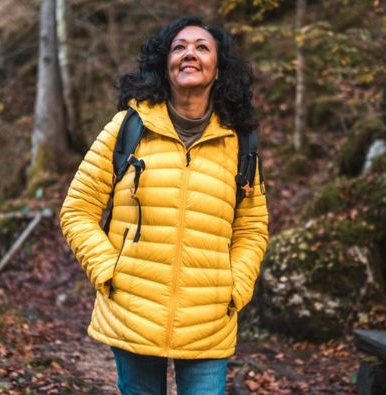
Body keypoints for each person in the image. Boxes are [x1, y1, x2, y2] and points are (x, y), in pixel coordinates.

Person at [59, 17, 268, 395]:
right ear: (165, 64)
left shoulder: (240, 143)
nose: (190, 53)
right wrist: (109, 272)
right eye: (179, 47)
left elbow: (252, 229)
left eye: (202, 47)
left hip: (208, 318)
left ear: (218, 68)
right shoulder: (127, 127)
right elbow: (77, 210)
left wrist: (236, 287)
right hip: (133, 311)